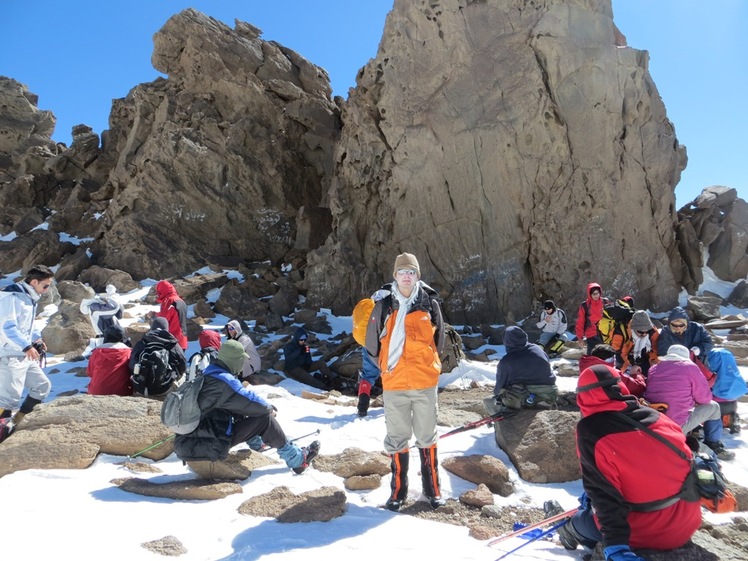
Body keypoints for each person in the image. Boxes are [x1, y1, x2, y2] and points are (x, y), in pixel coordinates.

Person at [546, 361, 702, 561]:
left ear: (583, 396)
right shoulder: (656, 417)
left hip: (644, 531)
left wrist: (616, 544)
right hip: (685, 522)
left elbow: (603, 493)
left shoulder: (592, 430)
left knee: (580, 522)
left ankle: (569, 531)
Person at [364, 252, 446, 511]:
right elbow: (371, 342)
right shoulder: (385, 305)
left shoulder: (429, 303)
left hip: (424, 382)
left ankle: (433, 491)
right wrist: (385, 368)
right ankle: (398, 493)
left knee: (426, 436)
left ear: (417, 276)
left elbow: (440, 338)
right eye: (402, 272)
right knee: (397, 438)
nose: (407, 276)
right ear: (395, 276)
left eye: (411, 272)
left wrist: (430, 365)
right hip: (395, 383)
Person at [173, 339, 320, 473]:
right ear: (234, 359)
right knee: (265, 418)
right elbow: (254, 403)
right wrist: (269, 407)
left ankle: (257, 445)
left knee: (240, 410)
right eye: (242, 359)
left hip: (189, 443)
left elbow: (242, 405)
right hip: (208, 445)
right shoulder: (224, 381)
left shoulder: (205, 375)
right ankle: (298, 460)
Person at [644, 344, 733, 460]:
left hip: (656, 422)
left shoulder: (654, 368)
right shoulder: (690, 367)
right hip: (676, 425)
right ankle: (713, 444)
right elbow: (704, 398)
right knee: (714, 407)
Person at [0, 265, 54, 441]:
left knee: (42, 387)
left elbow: (24, 327)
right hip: (10, 354)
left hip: (23, 353)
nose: (46, 291)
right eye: (45, 286)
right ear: (34, 282)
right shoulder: (12, 296)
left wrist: (34, 341)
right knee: (8, 400)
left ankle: (17, 423)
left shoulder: (27, 298)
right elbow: (7, 327)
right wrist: (26, 346)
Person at [484, 326, 558, 414]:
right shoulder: (538, 350)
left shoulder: (506, 361)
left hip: (524, 400)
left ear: (506, 341)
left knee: (488, 401)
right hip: (549, 396)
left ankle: (502, 425)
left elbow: (498, 389)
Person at [129, 317, 187, 396]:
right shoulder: (173, 344)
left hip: (141, 388)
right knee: (184, 376)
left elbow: (131, 365)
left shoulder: (142, 342)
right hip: (164, 389)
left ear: (152, 327)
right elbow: (182, 367)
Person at [580, 344, 646, 397]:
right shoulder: (610, 372)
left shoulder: (585, 370)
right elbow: (638, 387)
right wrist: (635, 374)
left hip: (588, 406)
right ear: (609, 359)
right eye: (613, 358)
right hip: (607, 406)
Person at [86, 324, 132, 396]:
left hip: (96, 392)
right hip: (122, 392)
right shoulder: (128, 352)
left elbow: (90, 373)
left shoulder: (97, 352)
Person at [620, 310, 660, 378]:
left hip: (645, 357)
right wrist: (629, 367)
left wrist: (654, 362)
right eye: (640, 332)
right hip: (628, 360)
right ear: (634, 328)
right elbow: (620, 353)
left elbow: (655, 349)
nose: (644, 334)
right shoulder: (624, 333)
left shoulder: (653, 332)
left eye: (646, 331)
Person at [153, 280, 188, 351]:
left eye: (158, 291)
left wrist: (154, 315)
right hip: (182, 339)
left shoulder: (169, 301)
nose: (157, 294)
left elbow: (163, 320)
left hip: (171, 340)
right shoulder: (180, 301)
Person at [575, 283, 607, 354]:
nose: (596, 296)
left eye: (597, 293)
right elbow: (580, 321)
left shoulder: (605, 302)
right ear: (590, 294)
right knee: (592, 357)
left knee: (605, 358)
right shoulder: (585, 306)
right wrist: (580, 337)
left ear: (600, 292)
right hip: (591, 335)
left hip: (605, 334)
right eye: (593, 294)